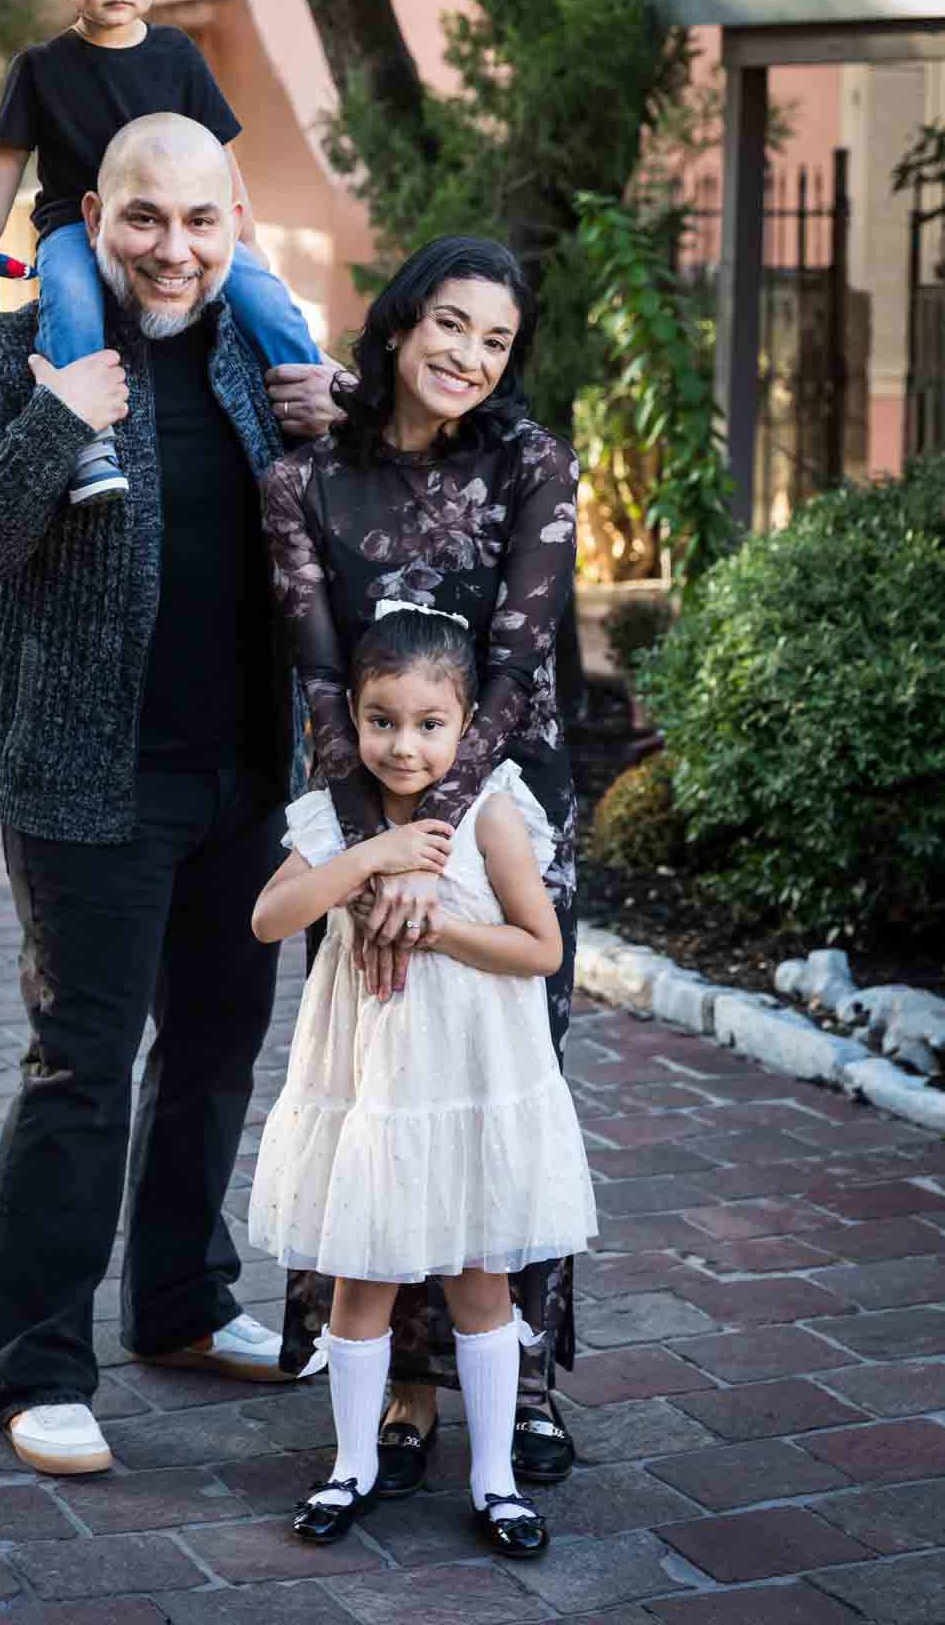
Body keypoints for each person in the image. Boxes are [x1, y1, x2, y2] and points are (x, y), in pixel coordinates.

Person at [0, 112, 339, 1479]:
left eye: (201, 221)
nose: (173, 247)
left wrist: (341, 441)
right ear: (94, 218)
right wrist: (54, 423)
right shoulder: (15, 352)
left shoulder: (261, 364)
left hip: (243, 776)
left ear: (234, 228)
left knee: (217, 1049)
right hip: (86, 779)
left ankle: (182, 1304)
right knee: (82, 1068)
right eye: (144, 219)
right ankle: (36, 1365)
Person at [260, 234, 584, 1496]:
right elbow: (319, 673)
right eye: (448, 324)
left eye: (495, 340)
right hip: (354, 802)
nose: (467, 355)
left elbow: (512, 669)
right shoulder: (304, 479)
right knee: (379, 1078)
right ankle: (395, 1375)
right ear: (399, 324)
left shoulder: (531, 462)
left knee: (505, 1079)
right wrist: (373, 845)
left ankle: (526, 1375)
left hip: (506, 803)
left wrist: (430, 847)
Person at [249, 605, 596, 1554]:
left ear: (463, 724)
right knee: (359, 1279)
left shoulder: (491, 811)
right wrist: (369, 858)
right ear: (353, 720)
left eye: (429, 724)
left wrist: (432, 926)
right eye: (381, 721)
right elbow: (270, 919)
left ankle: (493, 1478)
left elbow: (540, 946)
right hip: (374, 1094)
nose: (403, 746)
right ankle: (350, 1465)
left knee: (482, 1279)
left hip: (473, 1080)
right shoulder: (339, 816)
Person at [0, 0, 320, 507]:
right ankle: (88, 443)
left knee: (264, 293)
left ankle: (313, 397)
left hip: (179, 218)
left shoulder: (178, 56)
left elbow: (219, 157)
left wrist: (245, 235)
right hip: (72, 220)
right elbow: (6, 154)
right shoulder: (40, 69)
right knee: (67, 291)